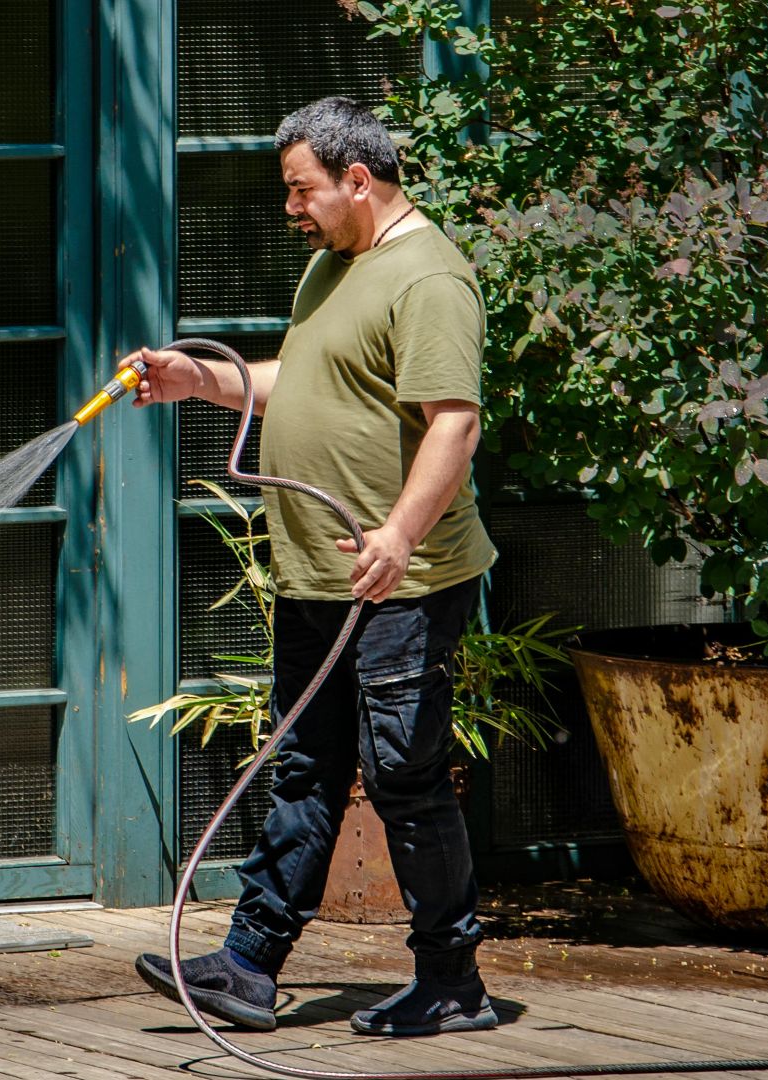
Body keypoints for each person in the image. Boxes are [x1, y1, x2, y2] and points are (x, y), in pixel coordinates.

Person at [126, 96, 499, 1037]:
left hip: (399, 581)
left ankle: (454, 984)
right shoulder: (336, 267)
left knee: (404, 775)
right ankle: (248, 966)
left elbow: (454, 421)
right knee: (304, 765)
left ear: (358, 181)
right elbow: (303, 379)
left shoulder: (429, 281)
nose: (291, 209)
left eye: (303, 191)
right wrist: (196, 380)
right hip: (316, 571)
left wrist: (400, 536)